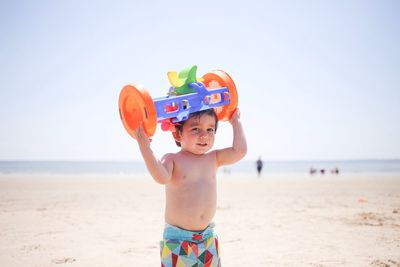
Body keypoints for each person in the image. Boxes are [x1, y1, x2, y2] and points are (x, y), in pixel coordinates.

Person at [133, 108, 247, 267]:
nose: (204, 135)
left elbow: (239, 151)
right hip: (178, 239)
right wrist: (145, 148)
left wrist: (236, 122)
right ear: (177, 134)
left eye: (210, 129)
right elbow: (161, 177)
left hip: (207, 237)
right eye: (195, 129)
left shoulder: (214, 158)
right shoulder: (173, 159)